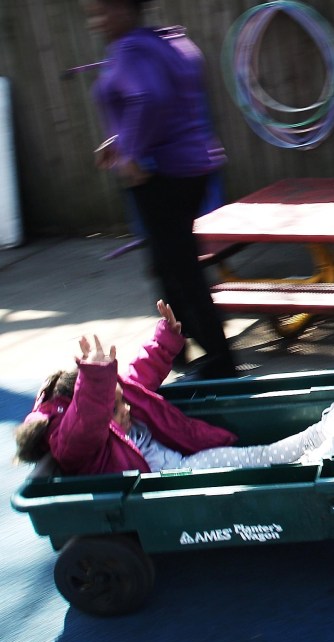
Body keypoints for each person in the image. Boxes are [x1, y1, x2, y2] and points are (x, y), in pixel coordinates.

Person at [14, 300, 334, 475]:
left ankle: (320, 440)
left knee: (257, 459)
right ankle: (319, 446)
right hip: (172, 477)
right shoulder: (76, 446)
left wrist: (166, 339)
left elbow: (137, 379)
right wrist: (95, 380)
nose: (127, 409)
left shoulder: (109, 411)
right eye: (116, 409)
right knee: (259, 459)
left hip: (180, 461)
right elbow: (85, 422)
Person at [84, 0, 236, 379]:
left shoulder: (131, 48)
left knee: (178, 269)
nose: (96, 22)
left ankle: (219, 357)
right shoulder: (167, 41)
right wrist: (120, 142)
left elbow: (149, 97)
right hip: (191, 168)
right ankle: (176, 349)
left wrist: (131, 152)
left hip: (161, 175)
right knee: (168, 266)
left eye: (102, 11)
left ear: (125, 10)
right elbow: (165, 105)